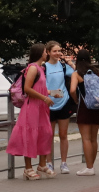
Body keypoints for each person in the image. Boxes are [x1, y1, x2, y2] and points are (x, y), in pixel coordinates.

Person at [7, 43, 53, 179]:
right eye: (45, 51)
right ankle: (28, 168)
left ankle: (42, 164)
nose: (47, 54)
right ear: (40, 53)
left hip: (40, 106)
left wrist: (50, 93)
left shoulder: (40, 68)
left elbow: (38, 87)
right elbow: (27, 89)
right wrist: (45, 97)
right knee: (30, 135)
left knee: (46, 133)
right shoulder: (33, 68)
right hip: (32, 106)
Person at [69, 51, 99, 176]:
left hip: (84, 106)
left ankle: (89, 167)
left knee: (86, 138)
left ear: (78, 60)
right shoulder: (95, 71)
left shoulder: (77, 74)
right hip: (96, 107)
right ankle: (92, 166)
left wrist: (76, 100)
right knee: (93, 139)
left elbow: (73, 90)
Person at [43, 41, 75, 175]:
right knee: (49, 135)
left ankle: (64, 163)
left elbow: (76, 74)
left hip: (64, 101)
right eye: (55, 51)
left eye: (59, 51)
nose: (58, 53)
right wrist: (49, 93)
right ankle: (49, 163)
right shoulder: (43, 67)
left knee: (63, 134)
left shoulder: (63, 66)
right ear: (48, 52)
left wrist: (71, 63)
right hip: (49, 103)